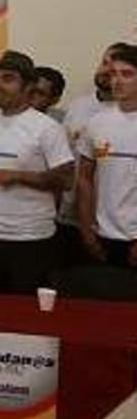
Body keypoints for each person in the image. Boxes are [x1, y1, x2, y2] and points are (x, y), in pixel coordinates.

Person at [0, 50, 75, 294]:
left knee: (25, 312)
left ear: (29, 86)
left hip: (31, 238)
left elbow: (67, 179)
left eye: (8, 79)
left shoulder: (47, 127)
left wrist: (17, 176)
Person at [55, 43, 129, 258]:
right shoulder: (77, 106)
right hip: (71, 218)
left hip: (118, 226)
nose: (108, 71)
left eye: (119, 70)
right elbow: (65, 160)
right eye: (105, 63)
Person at [76, 44, 137, 268]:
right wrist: (86, 228)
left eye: (127, 74)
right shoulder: (96, 122)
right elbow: (84, 178)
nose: (117, 81)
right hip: (102, 235)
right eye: (113, 74)